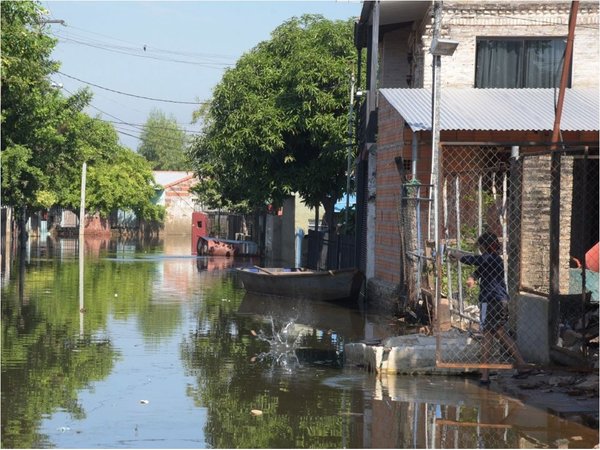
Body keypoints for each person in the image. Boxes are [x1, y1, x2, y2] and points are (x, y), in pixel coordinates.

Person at [448, 231, 531, 385]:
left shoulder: (490, 258)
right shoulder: (494, 260)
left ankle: (485, 375)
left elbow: (475, 260)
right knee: (500, 333)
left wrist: (459, 255)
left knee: (487, 335)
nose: (480, 250)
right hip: (500, 301)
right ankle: (522, 365)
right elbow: (481, 268)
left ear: (485, 247)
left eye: (481, 247)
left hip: (491, 302)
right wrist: (473, 277)